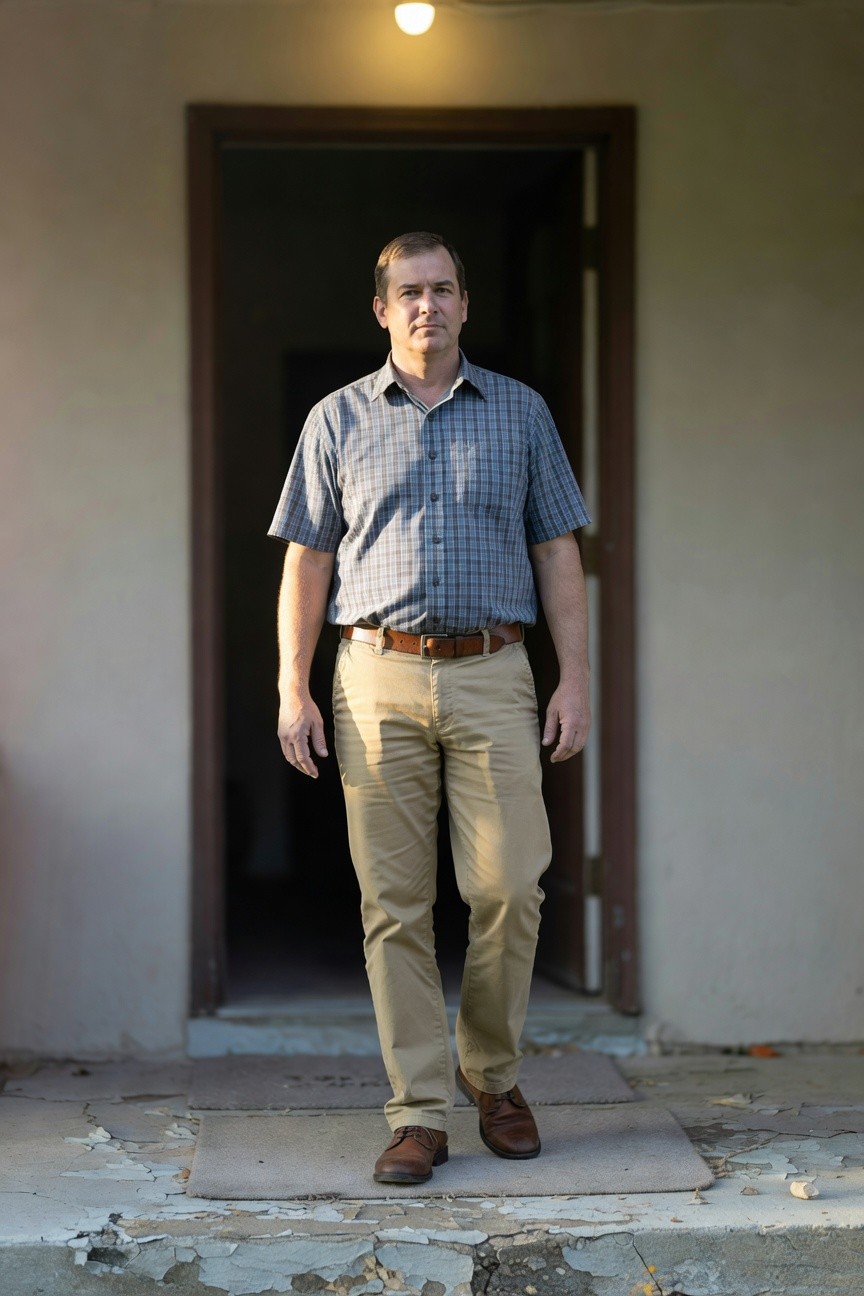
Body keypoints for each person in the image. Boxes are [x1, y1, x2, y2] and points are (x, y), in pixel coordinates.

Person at [269, 231, 591, 1185]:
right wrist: (292, 684)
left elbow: (558, 550)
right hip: (375, 675)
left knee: (510, 887)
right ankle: (417, 1113)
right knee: (394, 905)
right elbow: (307, 558)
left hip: (495, 670)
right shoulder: (336, 419)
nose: (427, 306)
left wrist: (575, 678)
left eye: (443, 289)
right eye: (409, 292)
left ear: (464, 303)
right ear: (381, 310)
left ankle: (492, 1078)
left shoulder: (522, 412)